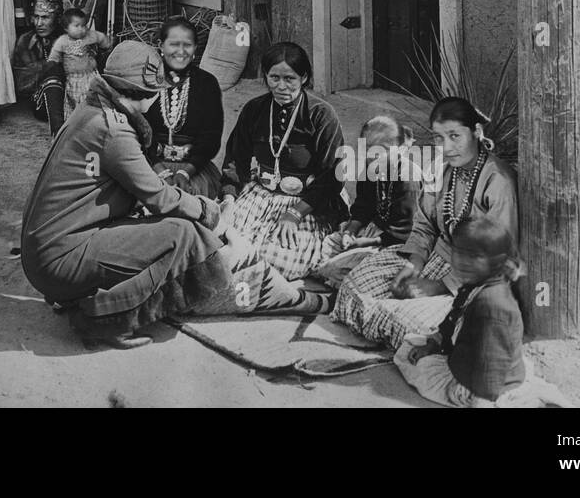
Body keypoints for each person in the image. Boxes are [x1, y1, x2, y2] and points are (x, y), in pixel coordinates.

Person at [21, 46, 332, 350]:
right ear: (149, 93)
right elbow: (159, 197)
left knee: (169, 227)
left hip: (50, 250)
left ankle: (89, 299)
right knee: (183, 235)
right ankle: (107, 318)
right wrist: (210, 210)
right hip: (59, 259)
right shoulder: (112, 131)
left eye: (290, 79)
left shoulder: (93, 111)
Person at [334, 96, 518, 351]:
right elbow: (423, 226)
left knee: (406, 321)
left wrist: (440, 286)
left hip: (473, 277)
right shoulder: (439, 169)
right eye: (439, 138)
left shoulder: (497, 181)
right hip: (433, 257)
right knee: (354, 286)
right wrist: (413, 265)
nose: (447, 147)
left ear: (476, 132)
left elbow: (496, 251)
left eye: (455, 136)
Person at [394, 217, 569, 407]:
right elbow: (453, 318)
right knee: (410, 348)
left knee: (425, 375)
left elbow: (493, 359)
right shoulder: (475, 283)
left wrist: (482, 400)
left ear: (496, 262)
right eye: (458, 252)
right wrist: (435, 343)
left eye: (474, 256)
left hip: (488, 386)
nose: (462, 262)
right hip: (470, 361)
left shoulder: (492, 305)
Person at [219, 41, 346, 280]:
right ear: (265, 77)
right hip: (260, 194)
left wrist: (295, 214)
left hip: (307, 201)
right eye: (274, 77)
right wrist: (228, 199)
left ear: (304, 77)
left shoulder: (321, 114)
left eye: (290, 79)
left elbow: (333, 176)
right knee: (223, 244)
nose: (281, 86)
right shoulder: (254, 109)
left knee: (276, 259)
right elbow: (236, 160)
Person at [317, 115, 422, 286]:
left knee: (353, 268)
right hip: (374, 230)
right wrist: (351, 231)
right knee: (331, 243)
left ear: (401, 149)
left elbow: (406, 231)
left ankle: (341, 278)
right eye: (368, 150)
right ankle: (336, 275)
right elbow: (363, 206)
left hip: (398, 243)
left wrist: (371, 242)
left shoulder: (408, 179)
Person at [143, 17, 224, 198]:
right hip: (150, 166)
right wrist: (159, 170)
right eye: (173, 44)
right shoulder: (146, 80)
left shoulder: (207, 83)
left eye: (187, 45)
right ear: (160, 45)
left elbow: (211, 136)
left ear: (195, 48)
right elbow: (137, 132)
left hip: (193, 169)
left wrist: (185, 172)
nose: (181, 51)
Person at [11, 0, 67, 136]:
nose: (39, 23)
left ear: (58, 18)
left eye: (45, 17)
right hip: (41, 102)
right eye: (36, 17)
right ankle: (59, 133)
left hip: (71, 99)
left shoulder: (68, 39)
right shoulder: (26, 40)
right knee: (53, 74)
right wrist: (51, 67)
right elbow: (22, 86)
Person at [47, 7, 113, 119]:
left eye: (83, 25)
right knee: (74, 102)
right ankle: (75, 122)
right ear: (66, 28)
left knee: (94, 99)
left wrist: (107, 45)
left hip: (91, 75)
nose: (81, 29)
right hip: (74, 78)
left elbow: (102, 39)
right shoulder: (62, 41)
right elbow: (54, 56)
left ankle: (93, 120)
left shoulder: (90, 36)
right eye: (76, 26)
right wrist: (53, 63)